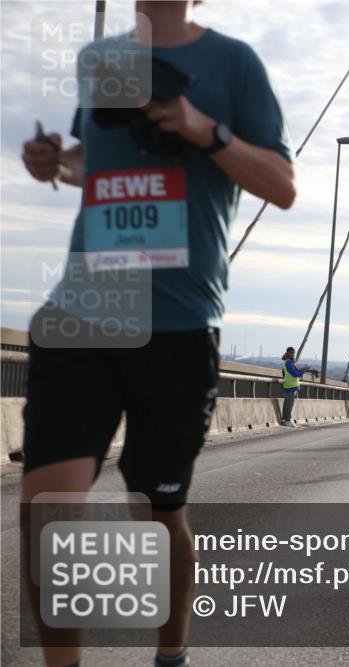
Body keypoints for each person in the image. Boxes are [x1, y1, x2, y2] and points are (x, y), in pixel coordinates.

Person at [18, 2, 296, 666]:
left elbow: (282, 184)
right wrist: (53, 163)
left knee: (159, 510)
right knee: (46, 508)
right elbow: (98, 161)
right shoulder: (104, 61)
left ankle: (170, 655)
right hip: (83, 311)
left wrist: (206, 131)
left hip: (175, 323)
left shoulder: (234, 64)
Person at [280, 347, 310, 426]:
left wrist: (302, 370)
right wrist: (304, 369)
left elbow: (297, 372)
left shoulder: (290, 362)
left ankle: (285, 419)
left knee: (289, 404)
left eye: (293, 352)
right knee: (289, 404)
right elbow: (296, 374)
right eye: (291, 353)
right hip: (290, 386)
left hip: (292, 386)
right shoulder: (288, 363)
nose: (292, 354)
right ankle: (287, 420)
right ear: (287, 353)